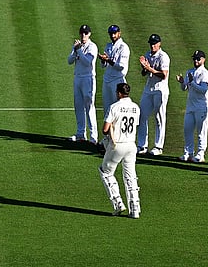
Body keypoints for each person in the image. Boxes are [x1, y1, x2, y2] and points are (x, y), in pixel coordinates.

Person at [98, 83, 141, 219]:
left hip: (117, 145)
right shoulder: (136, 107)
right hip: (131, 145)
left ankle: (118, 203)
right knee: (130, 177)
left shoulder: (114, 107)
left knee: (106, 172)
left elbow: (105, 129)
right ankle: (135, 209)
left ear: (118, 93)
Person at [137, 34, 170, 156]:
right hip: (148, 89)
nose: (152, 45)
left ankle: (158, 146)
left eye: (155, 43)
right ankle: (142, 145)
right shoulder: (147, 55)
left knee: (159, 117)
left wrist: (149, 68)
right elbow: (143, 73)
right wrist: (144, 67)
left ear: (159, 43)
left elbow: (163, 75)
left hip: (160, 90)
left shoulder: (164, 57)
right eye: (151, 43)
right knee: (142, 116)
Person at [176, 50, 208, 162]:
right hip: (190, 105)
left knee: (201, 131)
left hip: (201, 106)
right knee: (187, 129)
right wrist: (182, 82)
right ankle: (188, 153)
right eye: (194, 59)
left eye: (198, 59)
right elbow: (184, 88)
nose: (196, 61)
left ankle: (201, 154)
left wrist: (192, 83)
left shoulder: (205, 74)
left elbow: (203, 90)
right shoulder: (189, 72)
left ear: (203, 60)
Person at [67, 24, 98, 144]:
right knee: (78, 106)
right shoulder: (77, 46)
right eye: (82, 33)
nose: (83, 35)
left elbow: (87, 62)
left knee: (89, 106)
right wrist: (75, 51)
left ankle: (94, 136)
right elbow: (69, 61)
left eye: (85, 33)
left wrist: (79, 50)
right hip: (78, 78)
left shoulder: (92, 47)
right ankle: (81, 133)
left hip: (88, 78)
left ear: (89, 34)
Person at [98, 25, 130, 116]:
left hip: (117, 80)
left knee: (117, 109)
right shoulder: (108, 46)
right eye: (111, 34)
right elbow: (103, 66)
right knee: (107, 109)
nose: (113, 36)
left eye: (114, 33)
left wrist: (108, 60)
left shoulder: (123, 47)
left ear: (119, 33)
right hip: (107, 80)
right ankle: (108, 130)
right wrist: (103, 60)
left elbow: (121, 66)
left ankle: (116, 130)